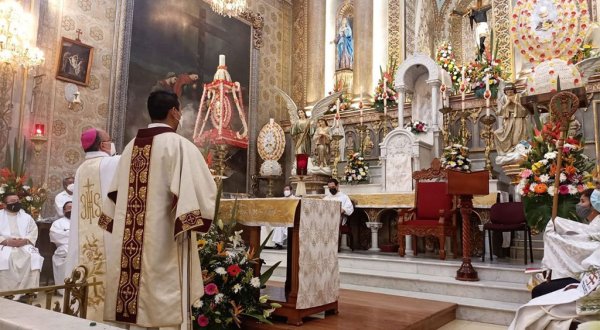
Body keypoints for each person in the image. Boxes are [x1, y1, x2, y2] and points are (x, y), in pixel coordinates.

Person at [100, 91, 216, 329]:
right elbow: (205, 190)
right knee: (165, 298)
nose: (180, 114)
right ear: (174, 111)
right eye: (179, 109)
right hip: (164, 238)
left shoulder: (131, 147)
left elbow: (114, 194)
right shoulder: (180, 146)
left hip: (128, 242)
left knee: (135, 300)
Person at [510, 189, 600, 329]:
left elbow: (583, 245)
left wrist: (556, 236)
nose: (579, 205)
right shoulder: (593, 225)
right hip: (586, 279)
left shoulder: (597, 226)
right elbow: (582, 240)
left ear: (595, 204)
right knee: (534, 304)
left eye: (583, 201)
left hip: (590, 288)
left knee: (533, 308)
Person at [64, 127, 120, 321]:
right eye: (110, 140)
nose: (112, 143)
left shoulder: (81, 169)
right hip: (106, 232)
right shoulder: (112, 163)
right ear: (104, 145)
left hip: (84, 232)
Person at [0, 192, 43, 292]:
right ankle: (6, 292)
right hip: (4, 245)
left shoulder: (26, 217)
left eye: (17, 201)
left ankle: (28, 291)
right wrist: (5, 241)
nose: (16, 203)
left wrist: (25, 240)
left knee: (34, 257)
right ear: (5, 205)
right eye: (12, 201)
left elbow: (33, 231)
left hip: (24, 244)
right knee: (6, 258)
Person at [493, 84, 529, 155]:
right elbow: (498, 113)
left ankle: (521, 153)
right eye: (507, 92)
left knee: (517, 138)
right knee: (502, 135)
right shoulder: (503, 99)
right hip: (508, 120)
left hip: (519, 119)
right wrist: (506, 104)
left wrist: (516, 103)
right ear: (505, 92)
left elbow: (525, 110)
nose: (509, 94)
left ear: (514, 91)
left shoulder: (519, 97)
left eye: (511, 92)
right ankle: (509, 152)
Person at [50, 201, 71, 293]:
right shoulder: (58, 223)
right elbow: (56, 236)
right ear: (64, 210)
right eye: (69, 207)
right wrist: (73, 236)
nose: (72, 209)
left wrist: (67, 234)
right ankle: (63, 290)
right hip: (63, 248)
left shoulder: (82, 222)